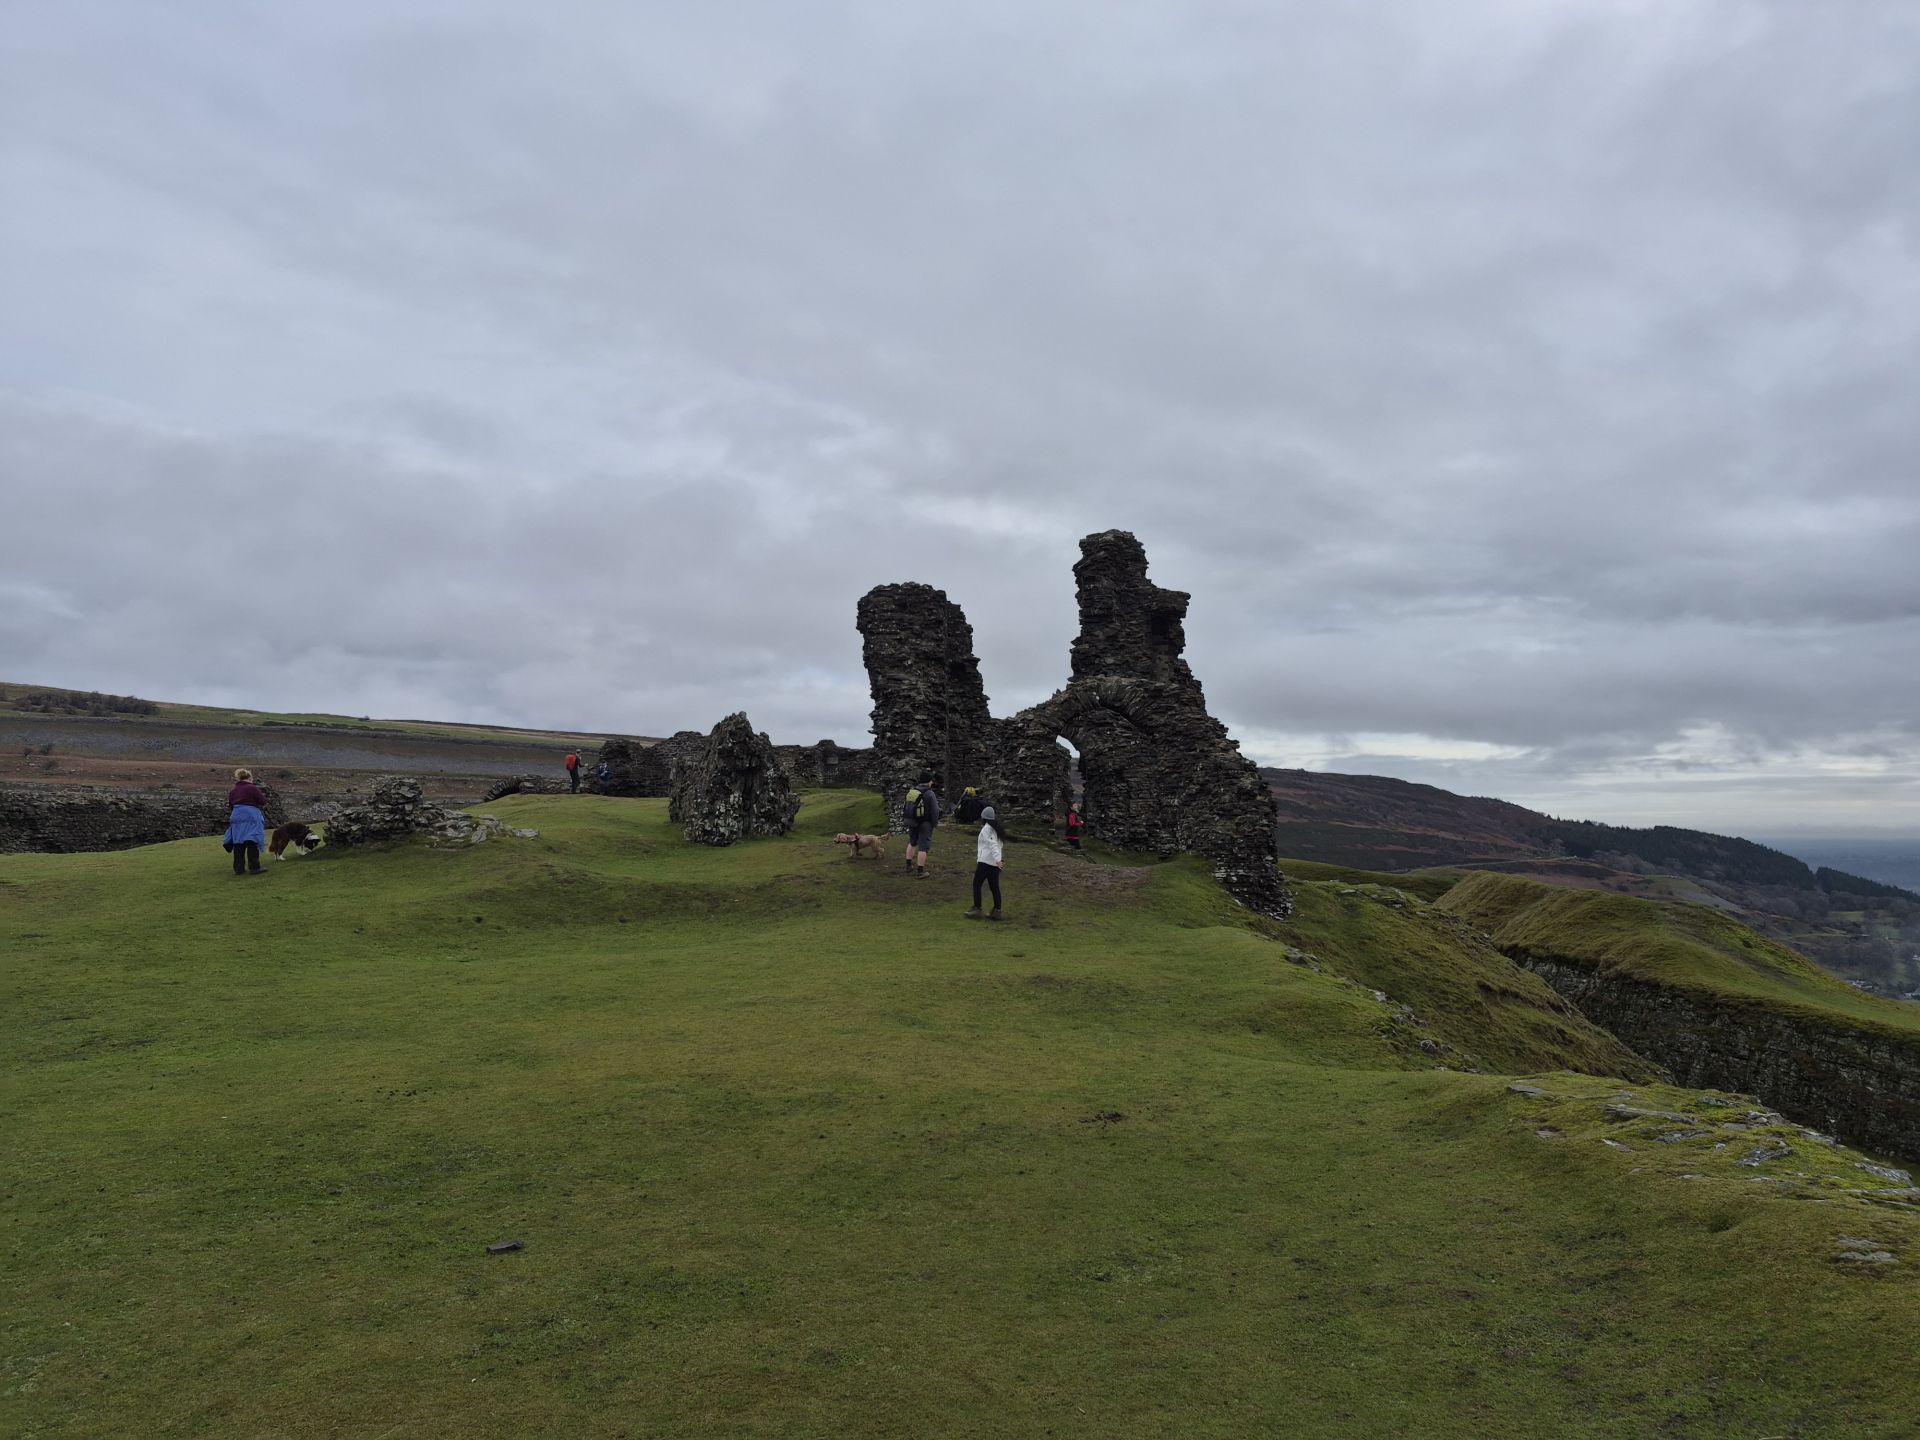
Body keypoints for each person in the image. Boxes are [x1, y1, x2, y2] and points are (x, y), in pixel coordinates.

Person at [224, 767, 269, 876]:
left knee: (238, 842)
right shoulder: (252, 788)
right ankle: (254, 867)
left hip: (236, 816)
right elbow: (262, 801)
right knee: (252, 840)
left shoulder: (233, 791)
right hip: (250, 815)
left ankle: (238, 868)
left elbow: (231, 805)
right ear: (249, 778)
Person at [964, 804, 1006, 920]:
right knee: (994, 887)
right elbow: (999, 845)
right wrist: (998, 860)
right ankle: (997, 911)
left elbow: (993, 845)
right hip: (994, 864)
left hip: (986, 862)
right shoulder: (997, 829)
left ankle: (977, 909)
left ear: (984, 818)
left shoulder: (987, 829)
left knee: (977, 884)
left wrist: (998, 860)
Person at [905, 773, 941, 879]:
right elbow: (935, 811)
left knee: (912, 842)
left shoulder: (913, 791)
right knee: (923, 847)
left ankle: (908, 866)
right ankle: (920, 872)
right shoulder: (930, 793)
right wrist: (934, 823)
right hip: (925, 823)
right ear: (929, 781)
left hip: (912, 821)